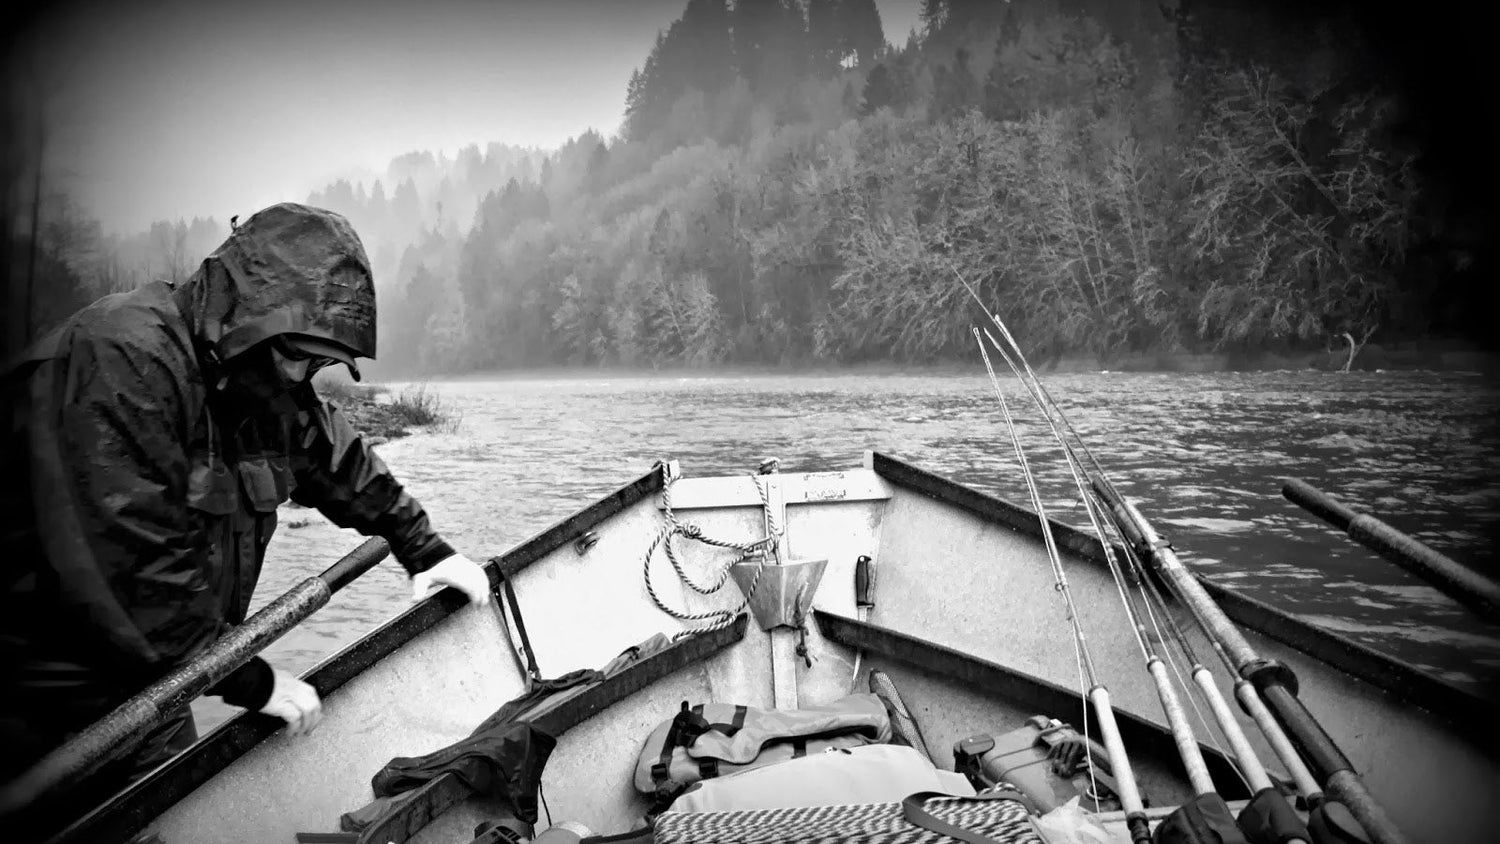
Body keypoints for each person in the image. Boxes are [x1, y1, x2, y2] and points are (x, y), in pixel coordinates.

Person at [0, 202, 491, 803]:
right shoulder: (121, 360)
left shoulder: (254, 379)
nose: (300, 378)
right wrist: (250, 680)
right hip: (36, 702)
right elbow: (134, 577)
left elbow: (333, 457)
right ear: (245, 321)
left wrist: (424, 546)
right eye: (297, 357)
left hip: (148, 693)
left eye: (318, 364)